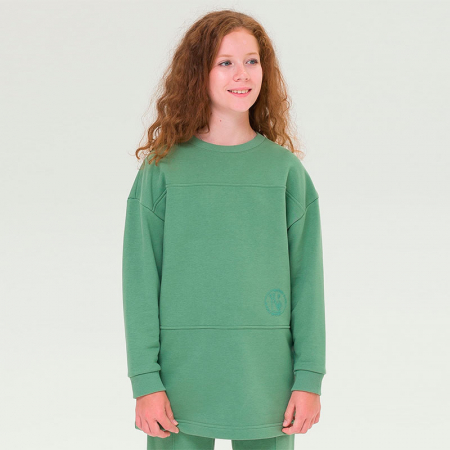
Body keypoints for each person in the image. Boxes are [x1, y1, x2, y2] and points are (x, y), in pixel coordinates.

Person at [122, 9, 326, 450]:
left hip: (267, 376)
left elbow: (308, 282)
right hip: (178, 378)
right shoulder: (162, 171)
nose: (242, 74)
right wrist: (145, 380)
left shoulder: (285, 173)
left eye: (252, 61)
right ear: (199, 73)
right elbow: (140, 281)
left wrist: (309, 378)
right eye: (225, 62)